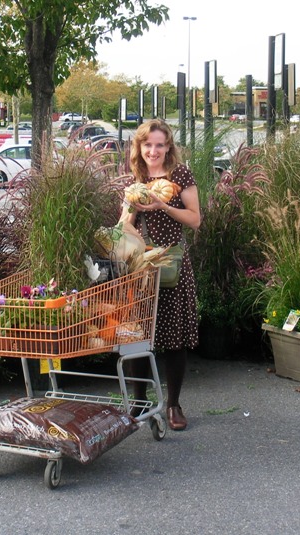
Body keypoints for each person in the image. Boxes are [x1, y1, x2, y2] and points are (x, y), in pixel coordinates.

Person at [122, 119, 200, 431]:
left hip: (173, 263)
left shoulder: (180, 174)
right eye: (147, 145)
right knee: (138, 337)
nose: (153, 151)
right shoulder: (135, 178)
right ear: (139, 148)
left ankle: (173, 404)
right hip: (142, 265)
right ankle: (140, 402)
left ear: (168, 147)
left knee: (173, 337)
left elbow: (195, 220)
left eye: (159, 144)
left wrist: (161, 205)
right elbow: (123, 225)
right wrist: (134, 210)